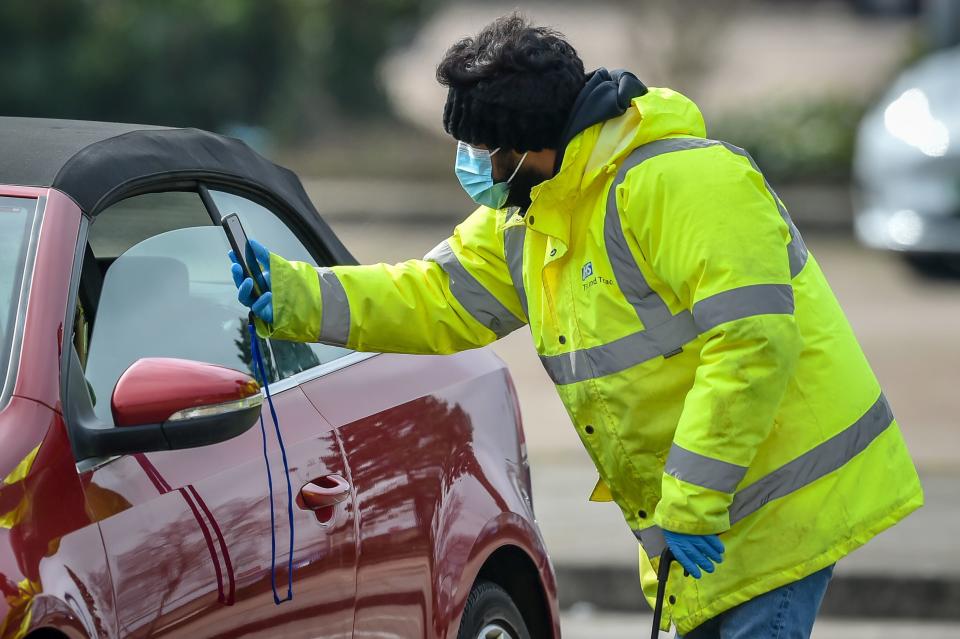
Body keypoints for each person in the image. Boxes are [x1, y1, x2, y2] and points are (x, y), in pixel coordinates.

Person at [229, 14, 923, 638]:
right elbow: (436, 296)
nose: (470, 165)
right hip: (706, 516)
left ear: (529, 145)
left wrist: (693, 495)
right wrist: (297, 295)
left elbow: (752, 342)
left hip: (777, 502)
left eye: (479, 148)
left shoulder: (685, 183)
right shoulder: (534, 213)